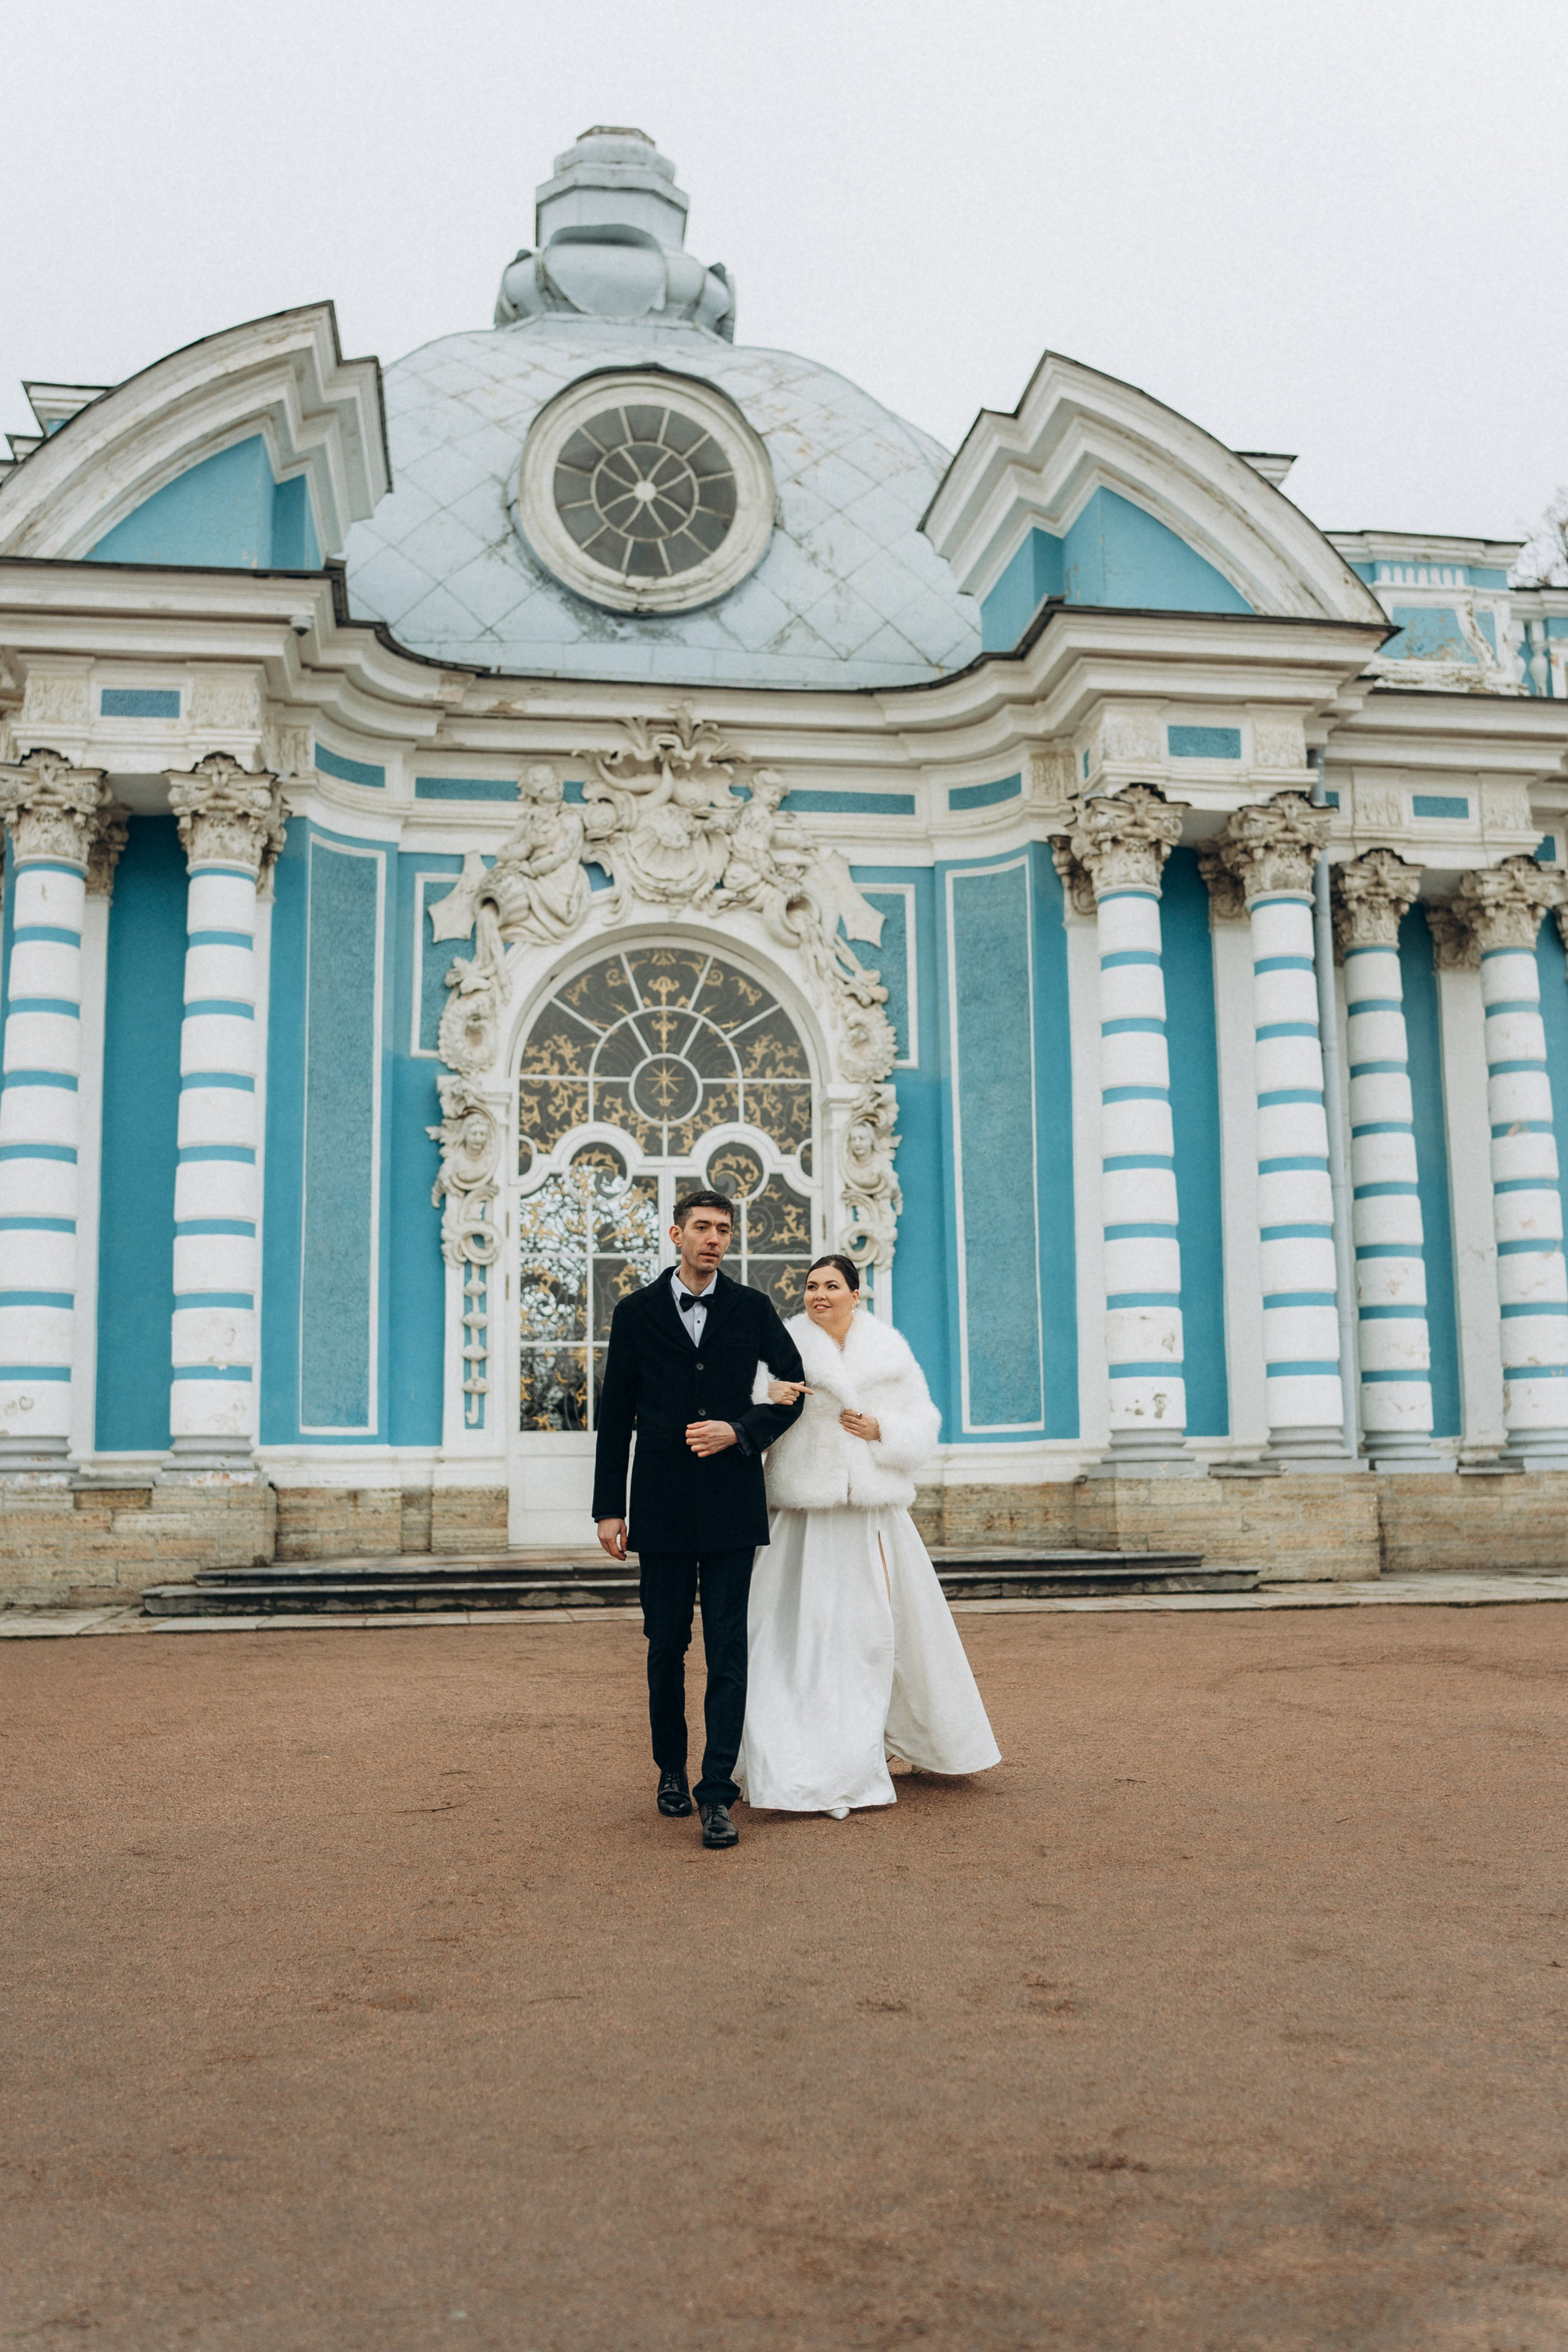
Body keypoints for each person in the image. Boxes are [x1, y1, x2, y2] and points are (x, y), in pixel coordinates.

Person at [737, 1254, 1000, 1818]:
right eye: (811, 1286)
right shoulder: (782, 1346)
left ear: (857, 1294)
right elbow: (751, 1416)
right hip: (805, 1520)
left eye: (832, 1286)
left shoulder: (890, 1350)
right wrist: (770, 1401)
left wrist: (883, 1430)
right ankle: (799, 1760)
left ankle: (889, 1745)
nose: (820, 1295)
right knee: (792, 1641)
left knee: (879, 1639)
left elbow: (924, 1422)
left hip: (873, 1519)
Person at [592, 1190, 806, 1849]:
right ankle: (670, 1772)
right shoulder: (635, 1313)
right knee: (665, 1648)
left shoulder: (752, 1308)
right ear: (675, 1234)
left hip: (729, 1504)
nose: (714, 1239)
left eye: (723, 1230)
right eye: (702, 1228)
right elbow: (614, 1413)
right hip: (656, 1502)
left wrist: (739, 1429)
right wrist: (608, 1508)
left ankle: (718, 1793)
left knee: (728, 1653)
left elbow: (792, 1387)